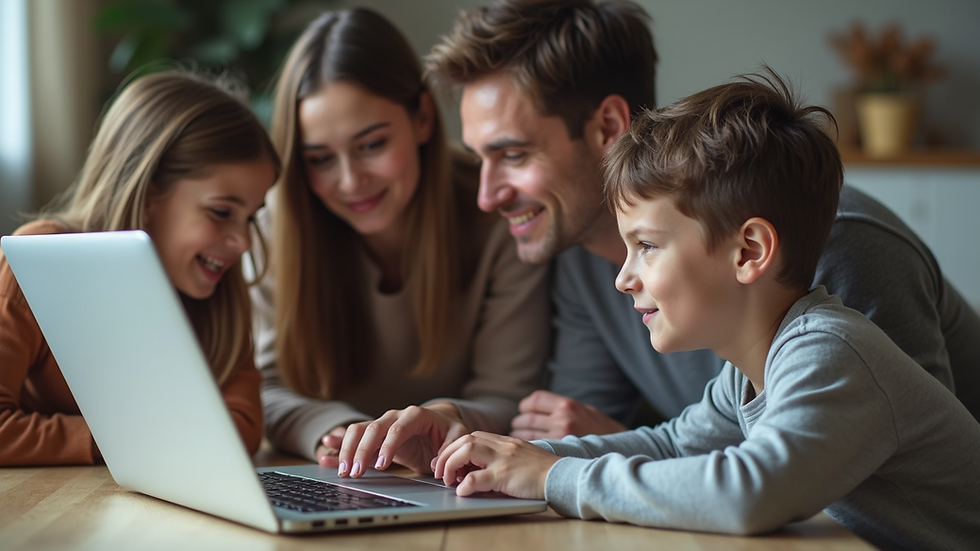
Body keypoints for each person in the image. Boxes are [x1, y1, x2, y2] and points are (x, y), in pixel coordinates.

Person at [434, 71, 980, 549]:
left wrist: (555, 478)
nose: (622, 278)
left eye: (646, 246)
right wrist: (517, 457)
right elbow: (668, 443)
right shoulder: (745, 375)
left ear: (749, 252)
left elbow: (750, 493)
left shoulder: (832, 354)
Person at [424, 0, 980, 436]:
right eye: (479, 160)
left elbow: (877, 481)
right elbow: (594, 430)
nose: (486, 196)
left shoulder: (837, 249)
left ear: (606, 127)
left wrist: (633, 457)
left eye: (514, 155)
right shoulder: (582, 261)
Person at [251, 7, 550, 474]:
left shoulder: (497, 213)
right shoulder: (275, 227)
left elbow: (509, 396)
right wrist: (344, 432)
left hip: (453, 474)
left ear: (423, 118)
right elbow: (262, 388)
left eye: (371, 145)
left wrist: (443, 420)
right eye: (321, 159)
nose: (351, 181)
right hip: (340, 474)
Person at [0, 71, 276, 466]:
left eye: (250, 217)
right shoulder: (36, 259)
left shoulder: (219, 290)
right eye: (221, 212)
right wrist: (127, 441)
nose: (244, 241)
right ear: (147, 193)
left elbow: (242, 427)